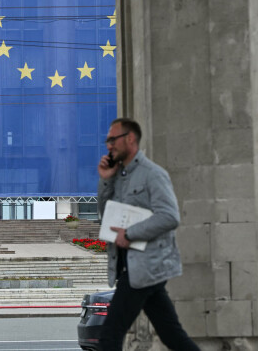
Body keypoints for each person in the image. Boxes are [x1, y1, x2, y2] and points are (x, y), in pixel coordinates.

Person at [97, 118, 200, 351]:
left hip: (143, 267)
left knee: (109, 337)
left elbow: (170, 216)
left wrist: (130, 233)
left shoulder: (153, 174)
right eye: (107, 141)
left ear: (130, 138)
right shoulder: (120, 175)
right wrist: (106, 180)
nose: (109, 145)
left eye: (113, 139)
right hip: (136, 269)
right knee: (172, 336)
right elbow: (106, 213)